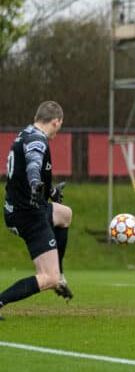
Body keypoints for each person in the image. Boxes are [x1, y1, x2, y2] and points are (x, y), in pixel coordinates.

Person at [0, 101, 73, 320]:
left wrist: (49, 191)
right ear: (56, 121)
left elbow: (28, 170)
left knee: (64, 214)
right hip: (28, 215)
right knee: (47, 277)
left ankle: (58, 275)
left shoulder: (26, 133)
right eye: (60, 124)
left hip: (23, 208)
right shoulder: (36, 140)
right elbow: (33, 164)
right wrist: (35, 183)